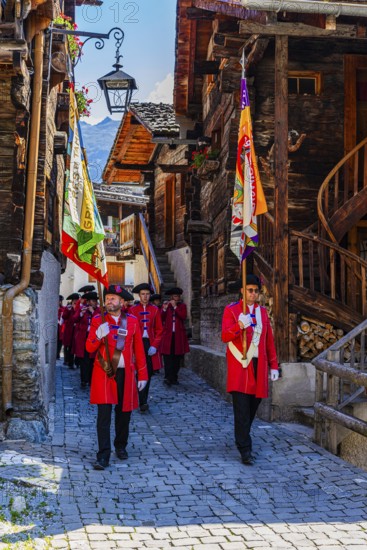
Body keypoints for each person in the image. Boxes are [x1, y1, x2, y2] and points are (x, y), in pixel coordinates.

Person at [86, 284, 148, 470]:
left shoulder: (132, 321)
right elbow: (89, 348)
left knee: (124, 413)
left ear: (122, 302)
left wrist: (143, 374)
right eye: (107, 299)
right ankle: (103, 455)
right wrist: (98, 335)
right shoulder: (98, 320)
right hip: (105, 373)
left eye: (113, 299)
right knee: (103, 416)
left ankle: (120, 446)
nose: (109, 302)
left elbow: (139, 350)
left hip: (126, 374)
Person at [221, 274, 279, 465]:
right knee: (242, 410)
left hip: (259, 366)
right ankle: (245, 448)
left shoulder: (262, 313)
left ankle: (242, 435)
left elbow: (268, 341)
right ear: (242, 291)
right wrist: (239, 325)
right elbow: (225, 336)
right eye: (250, 290)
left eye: (256, 291)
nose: (254, 294)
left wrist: (274, 365)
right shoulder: (232, 310)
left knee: (253, 407)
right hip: (241, 365)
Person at [130, 283, 163, 412]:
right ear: (139, 295)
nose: (145, 297)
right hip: (136, 344)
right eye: (143, 294)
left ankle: (143, 400)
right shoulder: (132, 310)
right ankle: (137, 396)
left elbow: (160, 330)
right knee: (137, 370)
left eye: (147, 294)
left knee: (148, 372)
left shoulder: (155, 310)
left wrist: (154, 345)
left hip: (149, 344)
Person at [160, 287, 190, 386]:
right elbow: (161, 318)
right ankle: (167, 377)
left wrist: (175, 307)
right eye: (174, 296)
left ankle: (174, 377)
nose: (176, 298)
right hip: (168, 336)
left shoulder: (182, 306)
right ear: (171, 297)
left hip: (178, 336)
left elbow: (183, 316)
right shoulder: (167, 306)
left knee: (177, 358)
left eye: (177, 296)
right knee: (167, 358)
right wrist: (164, 309)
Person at [73, 291, 100, 388]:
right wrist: (80, 314)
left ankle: (91, 379)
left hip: (94, 338)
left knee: (92, 360)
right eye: (91, 301)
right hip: (84, 338)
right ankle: (84, 380)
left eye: (94, 301)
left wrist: (93, 313)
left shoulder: (99, 312)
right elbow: (74, 319)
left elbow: (100, 322)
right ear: (88, 302)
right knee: (84, 360)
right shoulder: (82, 309)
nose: (93, 303)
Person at [62, 293, 80, 368]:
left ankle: (76, 362)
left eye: (77, 300)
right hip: (69, 330)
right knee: (69, 347)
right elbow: (64, 316)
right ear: (72, 301)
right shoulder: (68, 307)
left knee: (76, 347)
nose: (75, 302)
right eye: (74, 300)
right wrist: (68, 310)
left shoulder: (79, 307)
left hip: (76, 330)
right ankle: (70, 362)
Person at [57, 295, 65, 360]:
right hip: (55, 326)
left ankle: (58, 354)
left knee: (60, 341)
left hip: (61, 326)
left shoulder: (63, 309)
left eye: (59, 301)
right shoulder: (54, 308)